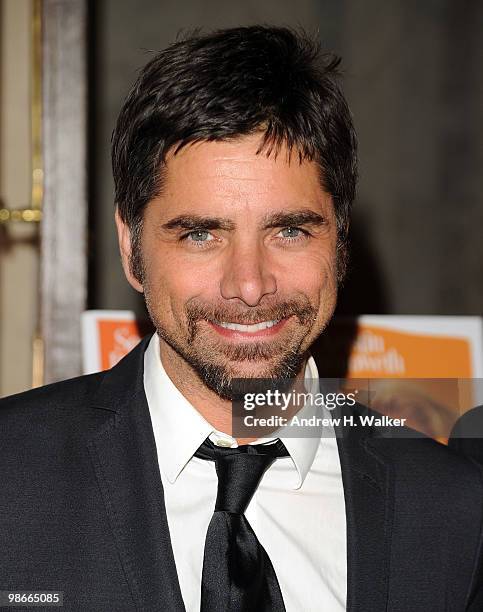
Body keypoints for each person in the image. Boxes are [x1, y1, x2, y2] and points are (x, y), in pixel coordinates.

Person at [1, 25, 483, 612]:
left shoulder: (457, 512)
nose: (250, 285)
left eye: (290, 230)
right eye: (201, 234)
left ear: (341, 243)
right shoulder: (10, 473)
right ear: (132, 250)